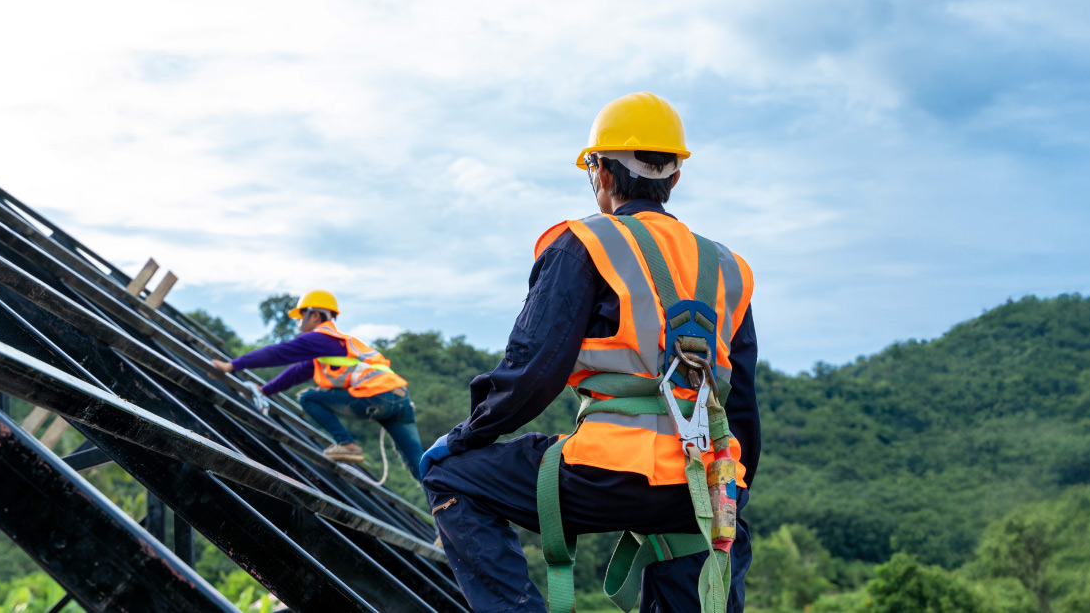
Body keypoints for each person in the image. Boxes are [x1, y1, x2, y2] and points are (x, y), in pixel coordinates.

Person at [419, 92, 759, 612]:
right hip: (706, 483)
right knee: (708, 550)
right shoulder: (727, 268)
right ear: (674, 177)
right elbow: (741, 407)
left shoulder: (585, 243)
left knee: (450, 477)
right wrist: (733, 493)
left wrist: (466, 436)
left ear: (600, 172)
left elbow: (532, 372)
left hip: (610, 471)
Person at [211, 290, 424, 480]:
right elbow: (297, 372)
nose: (298, 323)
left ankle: (347, 445)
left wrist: (233, 365)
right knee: (420, 466)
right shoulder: (333, 347)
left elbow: (279, 353)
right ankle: (445, 521)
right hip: (400, 398)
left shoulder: (322, 338)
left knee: (309, 398)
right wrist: (264, 391)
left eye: (301, 316)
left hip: (377, 395)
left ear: (314, 315)